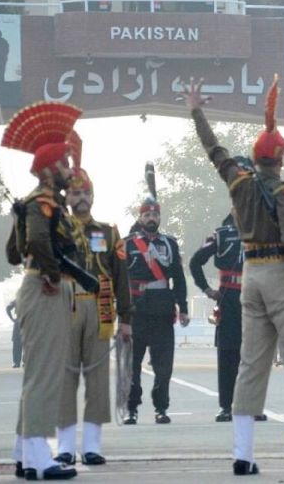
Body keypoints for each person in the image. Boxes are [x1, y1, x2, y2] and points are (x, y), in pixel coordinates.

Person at [185, 77, 284, 476]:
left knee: (251, 365)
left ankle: (243, 454)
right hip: (279, 275)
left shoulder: (238, 182)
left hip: (250, 275)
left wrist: (196, 111)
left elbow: (213, 149)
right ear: (281, 159)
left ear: (255, 159)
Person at [1, 101, 82, 480]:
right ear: (49, 169)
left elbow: (13, 252)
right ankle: (39, 457)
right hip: (45, 288)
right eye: (64, 164)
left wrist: (18, 220)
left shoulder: (36, 204)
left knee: (37, 374)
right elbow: (32, 245)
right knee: (45, 377)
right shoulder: (44, 202)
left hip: (37, 287)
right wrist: (52, 274)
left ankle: (25, 454)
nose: (69, 170)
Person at [55, 166, 133, 466]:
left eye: (86, 192)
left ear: (94, 195)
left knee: (98, 379)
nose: (82, 198)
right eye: (76, 193)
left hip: (101, 309)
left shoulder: (109, 231)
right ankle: (63, 446)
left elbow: (121, 276)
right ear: (67, 196)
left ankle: (92, 445)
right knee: (65, 378)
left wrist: (126, 318)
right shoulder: (59, 228)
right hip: (66, 306)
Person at [189, 213, 268, 423]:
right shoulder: (221, 235)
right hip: (230, 298)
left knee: (255, 354)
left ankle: (254, 405)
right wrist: (206, 289)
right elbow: (195, 261)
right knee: (228, 353)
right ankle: (226, 406)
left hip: (255, 297)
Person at [123, 192, 189, 425]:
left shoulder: (169, 243)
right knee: (132, 365)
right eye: (147, 214)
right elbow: (118, 279)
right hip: (136, 310)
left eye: (155, 214)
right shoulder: (128, 244)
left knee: (163, 366)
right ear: (140, 217)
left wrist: (183, 307)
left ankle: (161, 407)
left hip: (162, 309)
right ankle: (131, 409)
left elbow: (178, 279)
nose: (152, 218)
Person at [6, 300, 21, 368]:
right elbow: (8, 308)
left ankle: (17, 362)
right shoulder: (34, 298)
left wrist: (12, 318)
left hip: (20, 322)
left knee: (17, 343)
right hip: (29, 322)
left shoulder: (18, 298)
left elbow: (8, 308)